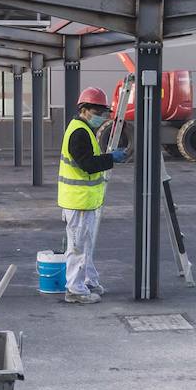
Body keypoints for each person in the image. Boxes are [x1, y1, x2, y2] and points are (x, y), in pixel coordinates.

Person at [57, 87, 128, 304]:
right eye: (97, 112)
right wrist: (110, 159)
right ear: (84, 110)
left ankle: (88, 281)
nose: (100, 116)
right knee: (77, 247)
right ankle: (75, 290)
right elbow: (87, 164)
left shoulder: (83, 129)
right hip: (78, 201)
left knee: (85, 245)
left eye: (102, 112)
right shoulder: (79, 132)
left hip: (83, 201)